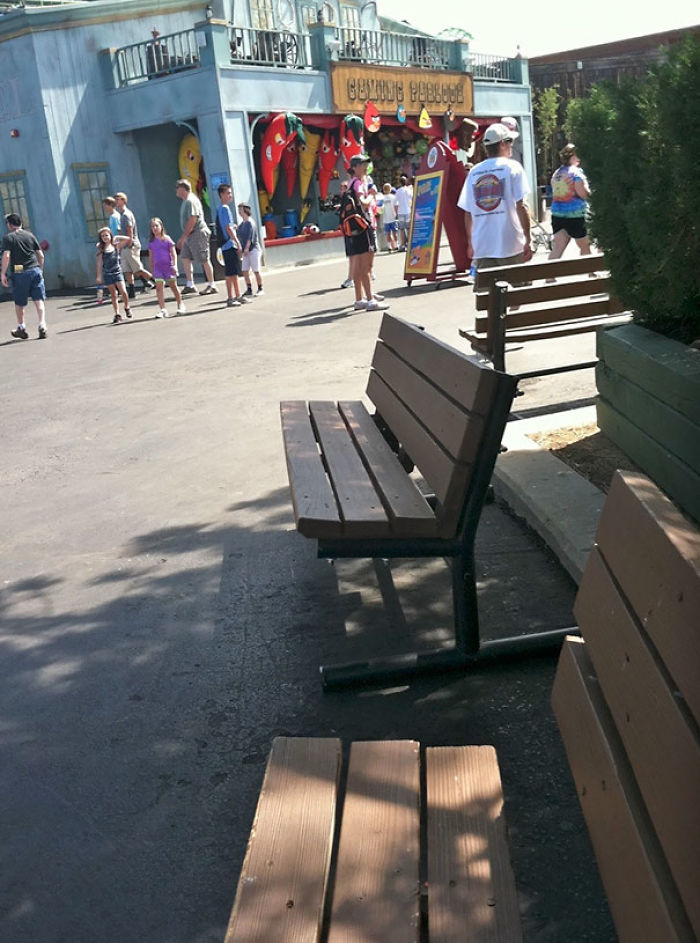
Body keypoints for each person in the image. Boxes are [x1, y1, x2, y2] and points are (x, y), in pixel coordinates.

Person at [457, 122, 532, 273]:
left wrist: (471, 243)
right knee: (517, 291)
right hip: (510, 244)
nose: (512, 146)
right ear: (503, 144)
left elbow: (468, 212)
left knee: (487, 293)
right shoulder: (513, 168)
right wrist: (527, 238)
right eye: (510, 141)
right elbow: (521, 206)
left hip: (483, 245)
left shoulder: (474, 172)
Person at [343, 155, 388, 313]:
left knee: (359, 266)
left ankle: (360, 298)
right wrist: (372, 194)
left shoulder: (351, 183)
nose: (365, 167)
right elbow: (364, 201)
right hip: (363, 225)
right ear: (354, 167)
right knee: (366, 266)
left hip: (354, 227)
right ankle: (370, 300)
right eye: (362, 164)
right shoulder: (359, 183)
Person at [1, 212, 48, 340]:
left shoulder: (8, 238)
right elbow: (41, 255)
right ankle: (42, 324)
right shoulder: (30, 235)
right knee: (38, 299)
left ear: (10, 225)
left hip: (19, 271)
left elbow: (6, 255)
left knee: (19, 302)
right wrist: (40, 270)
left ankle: (21, 327)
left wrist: (3, 273)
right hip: (34, 269)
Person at [548, 143, 591, 259]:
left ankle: (549, 276)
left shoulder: (556, 173)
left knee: (558, 247)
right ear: (574, 156)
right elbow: (582, 193)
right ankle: (590, 273)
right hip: (576, 215)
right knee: (584, 247)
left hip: (557, 215)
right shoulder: (576, 173)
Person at [175, 179, 217, 296]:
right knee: (185, 257)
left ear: (183, 189)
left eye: (177, 188)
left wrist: (183, 237)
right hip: (190, 235)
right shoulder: (185, 201)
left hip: (197, 233)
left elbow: (193, 219)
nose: (176, 191)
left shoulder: (190, 201)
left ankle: (211, 284)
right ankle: (190, 284)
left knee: (204, 259)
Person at [114, 192, 155, 299]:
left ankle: (156, 281)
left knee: (138, 269)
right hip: (124, 246)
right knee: (126, 270)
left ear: (123, 200)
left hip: (130, 245)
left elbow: (130, 232)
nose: (116, 202)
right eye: (115, 199)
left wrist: (128, 243)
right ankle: (131, 292)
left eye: (118, 199)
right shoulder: (121, 215)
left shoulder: (127, 215)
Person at [216, 184, 249, 307]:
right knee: (230, 273)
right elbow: (227, 228)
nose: (230, 195)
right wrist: (237, 241)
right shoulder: (224, 209)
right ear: (222, 195)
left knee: (234, 272)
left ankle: (237, 295)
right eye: (228, 193)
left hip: (227, 244)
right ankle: (230, 297)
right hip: (228, 244)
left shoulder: (221, 208)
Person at [147, 218, 186, 318]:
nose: (154, 228)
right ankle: (162, 309)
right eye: (152, 226)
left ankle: (180, 304)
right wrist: (152, 271)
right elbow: (151, 258)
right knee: (159, 288)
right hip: (158, 268)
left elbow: (173, 253)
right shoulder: (151, 242)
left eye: (156, 226)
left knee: (173, 286)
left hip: (168, 267)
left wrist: (175, 266)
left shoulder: (167, 239)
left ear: (161, 227)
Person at [95, 226, 131, 323]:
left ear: (110, 235)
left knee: (123, 291)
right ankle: (117, 314)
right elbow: (99, 264)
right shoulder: (102, 250)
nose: (105, 237)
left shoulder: (116, 246)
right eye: (103, 236)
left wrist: (116, 237)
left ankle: (127, 307)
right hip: (108, 274)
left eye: (106, 235)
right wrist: (98, 276)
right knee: (113, 294)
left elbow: (128, 239)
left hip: (117, 272)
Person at [237, 202, 263, 296]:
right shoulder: (241, 224)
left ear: (245, 210)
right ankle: (249, 288)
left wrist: (247, 248)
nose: (239, 212)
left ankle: (260, 288)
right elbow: (239, 236)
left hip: (253, 249)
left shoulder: (250, 223)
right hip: (245, 251)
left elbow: (250, 237)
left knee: (256, 270)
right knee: (245, 270)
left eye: (241, 209)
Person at [395, 174, 413, 251]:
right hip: (408, 210)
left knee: (401, 229)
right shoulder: (409, 190)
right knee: (409, 228)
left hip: (401, 211)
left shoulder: (398, 191)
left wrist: (396, 213)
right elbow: (412, 199)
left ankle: (402, 244)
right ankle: (410, 243)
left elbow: (395, 203)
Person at [379, 183, 398, 251]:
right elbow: (396, 205)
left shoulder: (382, 198)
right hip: (393, 217)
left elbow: (380, 208)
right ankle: (396, 245)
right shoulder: (393, 197)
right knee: (394, 232)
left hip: (385, 218)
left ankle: (389, 246)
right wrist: (396, 214)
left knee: (388, 233)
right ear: (390, 189)